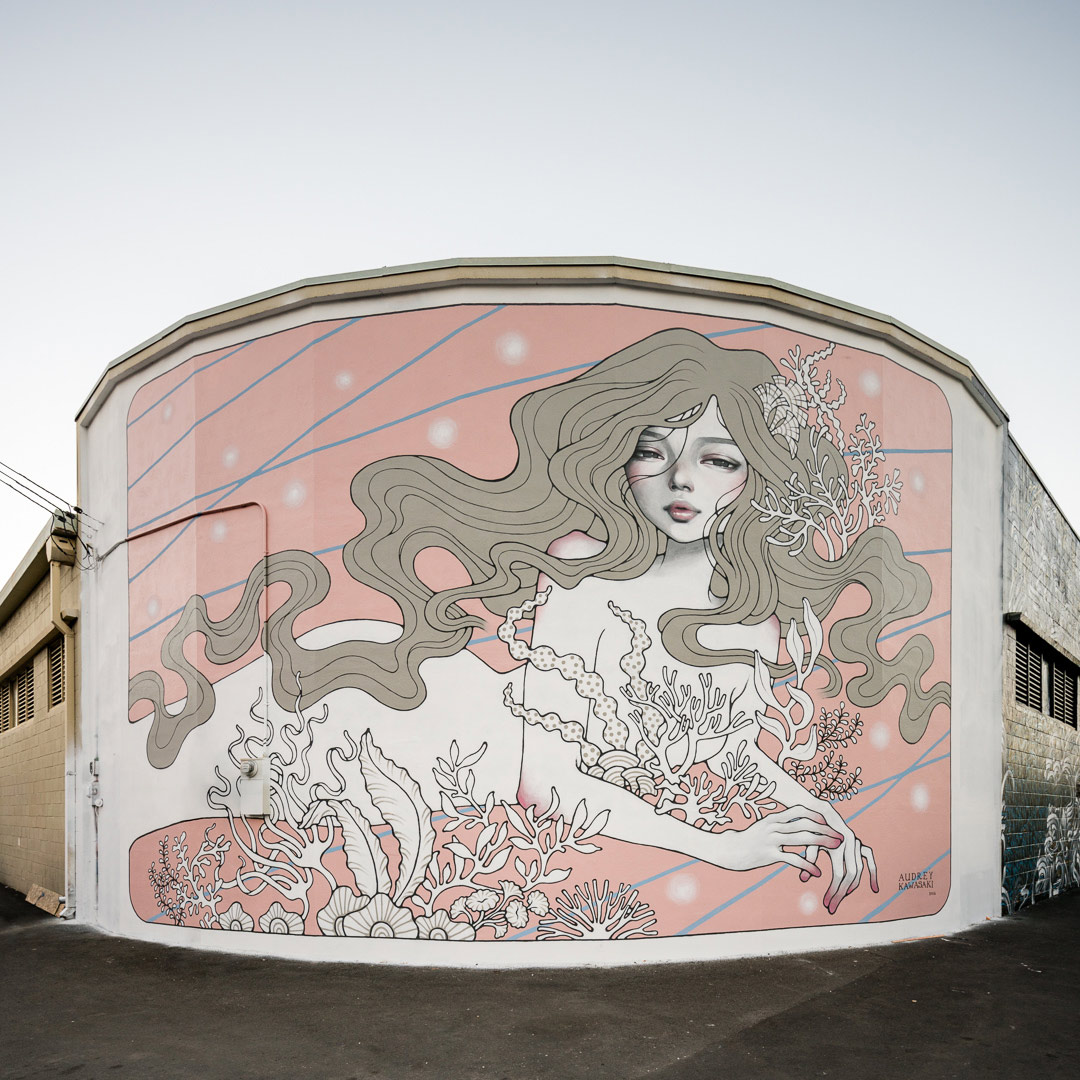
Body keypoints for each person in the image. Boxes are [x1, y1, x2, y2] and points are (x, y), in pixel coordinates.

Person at [131, 328, 949, 912]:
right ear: (617, 456)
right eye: (653, 450)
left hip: (442, 735)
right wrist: (720, 849)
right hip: (408, 728)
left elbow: (731, 754)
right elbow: (545, 782)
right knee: (219, 795)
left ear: (753, 475)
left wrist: (826, 821)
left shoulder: (745, 603)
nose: (680, 480)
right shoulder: (582, 572)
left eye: (717, 458)